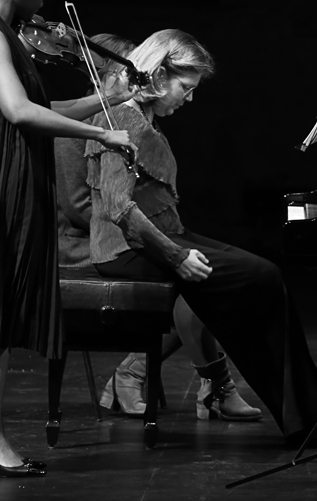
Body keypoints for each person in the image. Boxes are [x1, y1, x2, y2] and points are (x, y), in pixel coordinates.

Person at [86, 29, 317, 440]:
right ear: (158, 75)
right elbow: (119, 209)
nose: (190, 98)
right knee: (258, 278)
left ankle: (312, 411)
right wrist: (176, 256)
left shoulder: (141, 116)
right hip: (126, 250)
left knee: (264, 275)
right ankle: (304, 417)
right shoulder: (123, 118)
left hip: (158, 238)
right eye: (186, 87)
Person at [0, 0, 137, 478]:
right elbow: (19, 112)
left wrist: (109, 102)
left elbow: (41, 106)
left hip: (12, 178)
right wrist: (104, 134)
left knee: (2, 304)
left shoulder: (2, 31)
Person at [54, 33, 260, 420]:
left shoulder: (134, 118)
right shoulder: (79, 125)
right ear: (104, 74)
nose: (133, 81)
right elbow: (80, 207)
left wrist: (154, 228)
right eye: (124, 72)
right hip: (87, 242)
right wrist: (149, 234)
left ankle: (200, 384)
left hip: (127, 232)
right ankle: (186, 380)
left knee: (204, 272)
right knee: (196, 282)